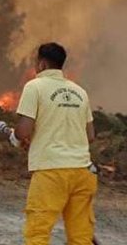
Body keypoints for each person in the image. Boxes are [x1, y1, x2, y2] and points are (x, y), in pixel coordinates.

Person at [14, 42, 97, 245]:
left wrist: (17, 137)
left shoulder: (34, 86)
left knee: (38, 233)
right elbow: (90, 135)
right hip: (83, 173)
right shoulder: (80, 92)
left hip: (51, 172)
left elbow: (23, 131)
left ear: (42, 64)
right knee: (81, 237)